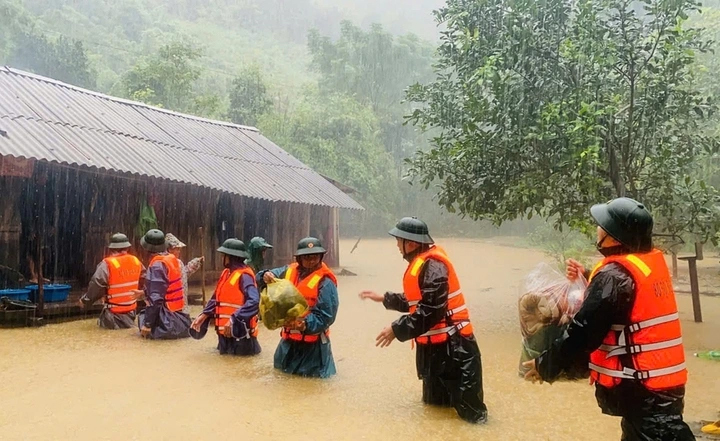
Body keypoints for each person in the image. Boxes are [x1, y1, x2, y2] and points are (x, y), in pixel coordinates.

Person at [523, 197, 694, 441]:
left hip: (644, 390)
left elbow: (583, 332)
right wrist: (587, 275)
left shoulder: (613, 277)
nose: (597, 229)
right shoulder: (646, 264)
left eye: (601, 225)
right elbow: (624, 297)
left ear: (614, 236)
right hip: (660, 386)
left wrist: (546, 365)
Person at [359, 217, 488, 424]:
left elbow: (430, 310)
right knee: (435, 411)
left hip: (456, 350)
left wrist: (396, 329)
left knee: (471, 416)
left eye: (399, 241)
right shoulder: (422, 265)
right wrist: (384, 298)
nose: (397, 246)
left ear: (410, 243)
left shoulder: (434, 266)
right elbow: (416, 302)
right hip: (434, 352)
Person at [257, 237, 339, 378]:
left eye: (315, 257)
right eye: (307, 257)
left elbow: (327, 316)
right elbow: (263, 277)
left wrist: (305, 324)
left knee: (313, 386)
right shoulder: (288, 271)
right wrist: (264, 275)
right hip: (288, 344)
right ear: (299, 258)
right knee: (281, 378)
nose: (311, 261)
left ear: (321, 257)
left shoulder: (325, 282)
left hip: (313, 348)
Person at [190, 238, 261, 355]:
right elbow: (216, 298)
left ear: (231, 257)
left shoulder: (245, 276)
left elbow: (254, 301)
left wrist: (234, 318)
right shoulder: (226, 273)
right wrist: (204, 314)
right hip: (225, 335)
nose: (222, 258)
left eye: (224, 256)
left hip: (241, 337)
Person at [79, 233, 143, 329]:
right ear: (127, 247)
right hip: (132, 311)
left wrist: (85, 301)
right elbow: (146, 280)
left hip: (113, 314)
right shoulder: (136, 261)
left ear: (111, 248)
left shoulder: (107, 264)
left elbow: (97, 284)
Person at [137, 229, 191, 340]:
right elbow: (165, 286)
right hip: (178, 314)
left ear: (147, 249)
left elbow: (156, 297)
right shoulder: (171, 259)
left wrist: (147, 324)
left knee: (143, 320)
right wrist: (144, 292)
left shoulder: (157, 265)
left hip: (166, 316)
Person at [165, 233, 204, 314]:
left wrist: (196, 262)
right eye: (177, 249)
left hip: (182, 304)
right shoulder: (164, 264)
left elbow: (184, 273)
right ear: (169, 249)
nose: (179, 252)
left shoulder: (178, 262)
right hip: (171, 307)